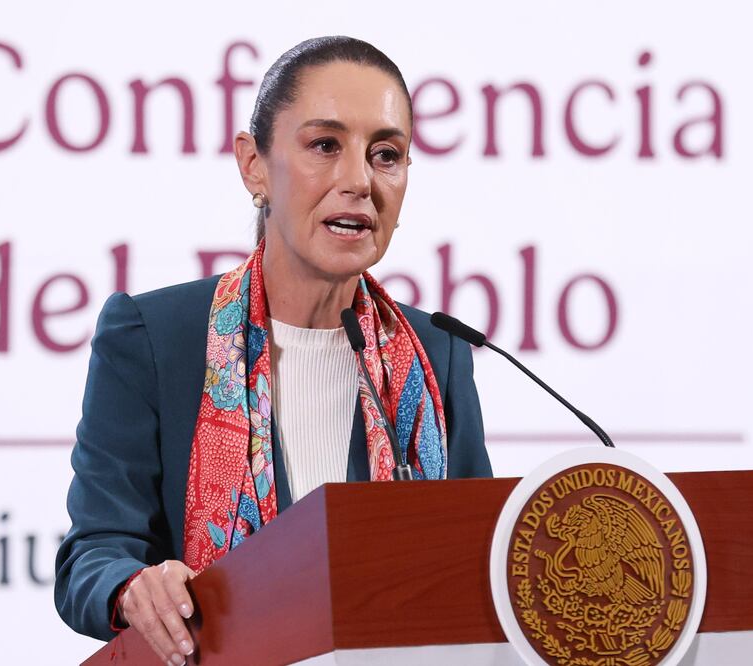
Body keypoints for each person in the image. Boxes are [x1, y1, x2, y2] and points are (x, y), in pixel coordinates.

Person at [54, 36, 492, 665]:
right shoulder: (155, 337)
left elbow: (477, 560)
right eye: (324, 146)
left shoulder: (435, 353)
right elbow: (92, 554)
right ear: (253, 164)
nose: (359, 181)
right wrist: (131, 587)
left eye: (386, 155)